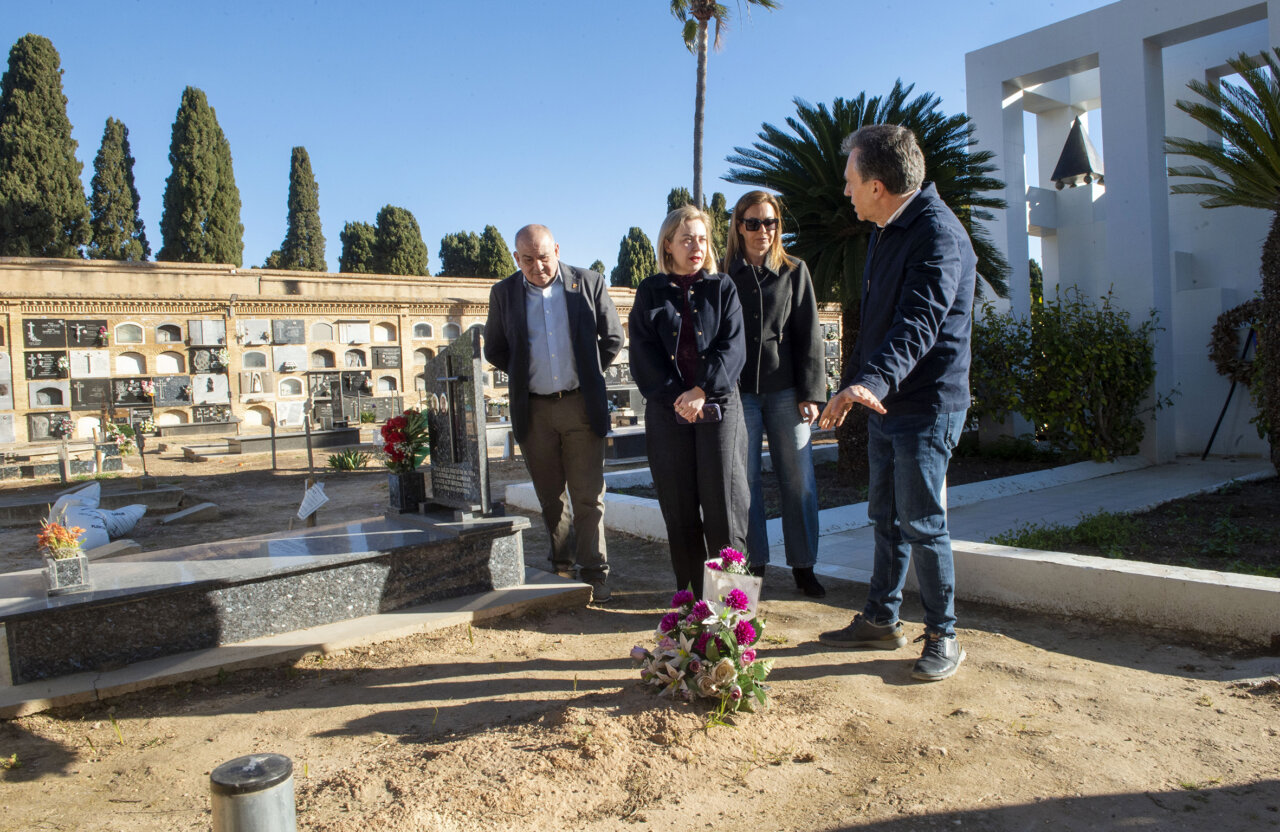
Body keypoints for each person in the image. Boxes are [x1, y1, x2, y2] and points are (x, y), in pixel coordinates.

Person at [817, 124, 976, 682]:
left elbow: (919, 324)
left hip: (926, 407)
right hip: (888, 404)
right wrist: (851, 382)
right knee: (885, 516)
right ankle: (883, 618)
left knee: (923, 524)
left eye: (850, 180)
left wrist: (873, 383)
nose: (846, 191)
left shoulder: (936, 234)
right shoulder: (888, 229)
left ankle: (944, 636)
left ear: (878, 185)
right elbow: (878, 324)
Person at [484, 224, 624, 603]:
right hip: (535, 410)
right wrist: (526, 370)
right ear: (516, 258)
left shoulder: (588, 283)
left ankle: (594, 572)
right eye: (527, 259)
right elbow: (494, 348)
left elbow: (613, 337)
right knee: (551, 497)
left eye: (544, 257)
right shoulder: (504, 293)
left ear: (557, 250)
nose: (538, 266)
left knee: (588, 496)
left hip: (580, 405)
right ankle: (561, 565)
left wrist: (589, 372)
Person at [629, 204, 748, 599]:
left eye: (701, 238)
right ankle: (692, 605)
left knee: (725, 510)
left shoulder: (722, 287)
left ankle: (731, 609)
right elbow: (643, 353)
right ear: (668, 244)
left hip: (718, 407)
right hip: (668, 412)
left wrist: (701, 391)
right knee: (679, 511)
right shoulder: (649, 291)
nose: (696, 246)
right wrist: (677, 398)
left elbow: (733, 348)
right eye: (686, 239)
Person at [725, 191, 826, 598]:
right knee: (744, 483)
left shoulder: (794, 270)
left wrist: (812, 393)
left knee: (799, 480)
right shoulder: (725, 274)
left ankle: (804, 566)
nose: (762, 230)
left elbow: (810, 335)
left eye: (769, 222)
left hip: (788, 392)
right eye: (753, 222)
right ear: (739, 226)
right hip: (740, 394)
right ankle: (756, 566)